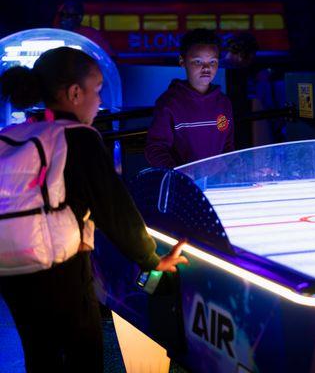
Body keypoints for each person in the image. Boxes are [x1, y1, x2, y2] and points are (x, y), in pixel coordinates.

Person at [0, 47, 188, 372]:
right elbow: (114, 209)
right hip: (60, 269)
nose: (99, 101)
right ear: (75, 93)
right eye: (97, 90)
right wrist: (152, 259)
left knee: (39, 351)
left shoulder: (14, 134)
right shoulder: (79, 137)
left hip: (10, 266)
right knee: (82, 353)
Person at [145, 29, 234, 168]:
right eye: (198, 62)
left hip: (216, 186)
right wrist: (177, 176)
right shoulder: (169, 103)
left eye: (212, 62)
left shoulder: (224, 103)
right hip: (183, 185)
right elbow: (156, 148)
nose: (206, 68)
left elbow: (228, 148)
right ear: (182, 61)